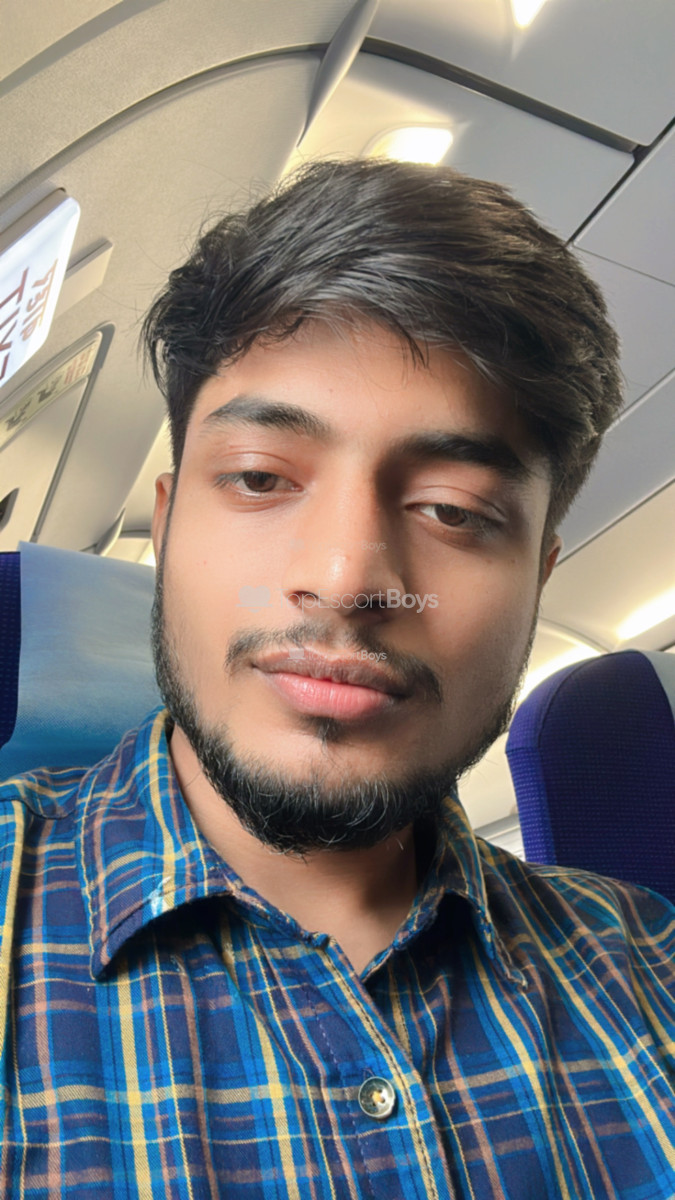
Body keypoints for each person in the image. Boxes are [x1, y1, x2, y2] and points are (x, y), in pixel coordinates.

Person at [0, 158, 673, 1199]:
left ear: (539, 578)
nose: (347, 580)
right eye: (260, 478)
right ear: (167, 530)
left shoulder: (650, 970)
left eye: (452, 510)